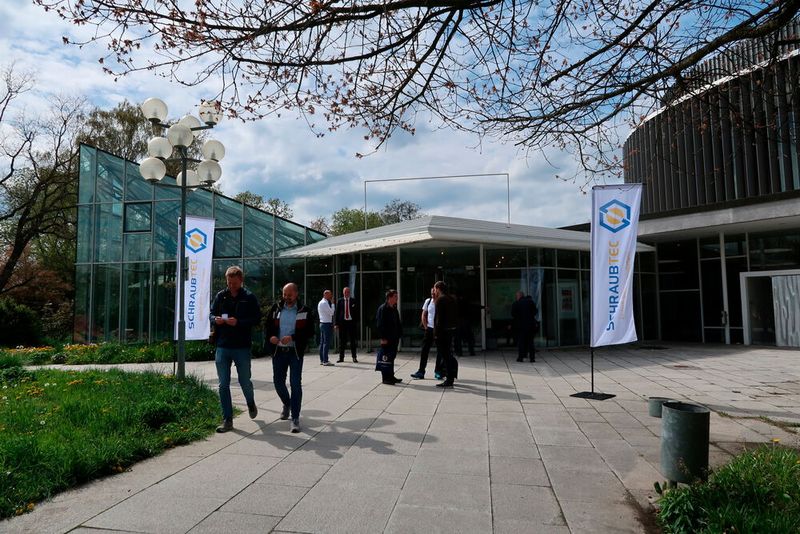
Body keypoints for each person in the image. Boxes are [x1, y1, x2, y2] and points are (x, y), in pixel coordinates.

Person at [209, 265, 261, 433]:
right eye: (229, 282)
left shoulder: (249, 297)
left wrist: (238, 322)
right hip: (223, 345)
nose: (231, 286)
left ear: (241, 281)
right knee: (223, 384)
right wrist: (215, 319)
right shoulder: (221, 296)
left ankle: (250, 402)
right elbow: (210, 313)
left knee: (244, 381)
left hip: (241, 346)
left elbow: (256, 319)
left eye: (234, 283)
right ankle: (227, 419)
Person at [265, 282, 314, 433]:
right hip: (278, 352)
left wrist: (292, 337)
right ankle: (287, 403)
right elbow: (267, 327)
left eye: (290, 295)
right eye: (285, 295)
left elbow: (310, 332)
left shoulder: (304, 310)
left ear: (296, 294)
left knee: (295, 383)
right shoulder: (276, 309)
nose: (287, 298)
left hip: (295, 353)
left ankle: (295, 418)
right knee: (278, 383)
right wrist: (271, 337)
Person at [433, 281, 458, 388]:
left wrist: (436, 333)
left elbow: (439, 319)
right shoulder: (451, 298)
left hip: (442, 332)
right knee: (448, 354)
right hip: (450, 330)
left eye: (434, 289)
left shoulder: (440, 299)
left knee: (445, 355)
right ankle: (451, 376)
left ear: (438, 289)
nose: (434, 291)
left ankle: (449, 378)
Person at [410, 288, 440, 380]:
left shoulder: (441, 301)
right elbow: (423, 314)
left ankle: (438, 371)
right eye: (431, 293)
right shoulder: (428, 301)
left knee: (441, 351)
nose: (433, 295)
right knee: (424, 351)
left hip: (439, 330)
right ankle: (421, 371)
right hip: (429, 329)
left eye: (434, 293)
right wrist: (426, 327)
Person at [375, 289, 403, 385]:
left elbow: (397, 323)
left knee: (392, 357)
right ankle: (385, 378)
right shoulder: (383, 309)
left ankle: (391, 375)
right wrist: (383, 338)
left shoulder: (394, 308)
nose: (397, 298)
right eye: (395, 296)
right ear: (389, 297)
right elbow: (379, 324)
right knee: (385, 358)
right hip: (386, 338)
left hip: (394, 337)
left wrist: (399, 334)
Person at [511, 290, 538, 362]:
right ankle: (532, 358)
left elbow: (513, 314)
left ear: (519, 296)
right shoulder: (530, 302)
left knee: (521, 342)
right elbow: (535, 311)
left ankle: (521, 357)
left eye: (516, 296)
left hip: (520, 326)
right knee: (530, 342)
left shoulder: (516, 303)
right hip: (530, 325)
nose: (516, 297)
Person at [335, 286, 359, 363]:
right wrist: (336, 324)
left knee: (353, 341)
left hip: (351, 323)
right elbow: (337, 313)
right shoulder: (340, 301)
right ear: (343, 293)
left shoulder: (353, 301)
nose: (347, 293)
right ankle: (341, 357)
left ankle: (354, 357)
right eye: (345, 292)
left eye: (348, 292)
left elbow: (357, 312)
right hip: (343, 323)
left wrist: (356, 321)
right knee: (342, 341)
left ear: (349, 293)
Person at [317, 289, 335, 366]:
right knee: (326, 343)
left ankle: (322, 359)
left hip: (322, 323)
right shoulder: (324, 303)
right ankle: (325, 360)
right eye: (330, 294)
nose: (331, 296)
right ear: (326, 294)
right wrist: (333, 304)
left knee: (322, 342)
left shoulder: (321, 302)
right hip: (326, 324)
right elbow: (331, 313)